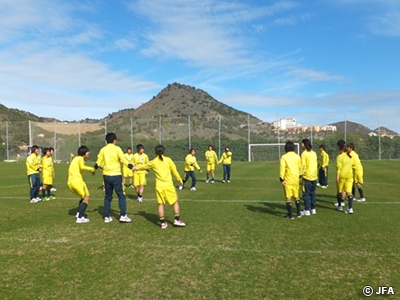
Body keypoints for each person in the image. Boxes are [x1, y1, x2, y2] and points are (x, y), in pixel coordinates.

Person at [133, 145, 186, 229]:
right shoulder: (168, 160)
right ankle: (177, 220)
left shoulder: (154, 161)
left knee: (160, 204)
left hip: (159, 186)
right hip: (168, 185)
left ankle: (163, 223)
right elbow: (174, 171)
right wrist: (180, 180)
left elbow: (144, 166)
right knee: (175, 202)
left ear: (155, 152)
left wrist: (135, 168)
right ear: (164, 151)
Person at [94, 133, 134, 223]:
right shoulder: (117, 149)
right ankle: (123, 215)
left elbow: (98, 162)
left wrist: (94, 169)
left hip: (106, 176)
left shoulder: (103, 150)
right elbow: (123, 159)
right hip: (116, 175)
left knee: (108, 196)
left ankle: (107, 217)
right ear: (114, 140)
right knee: (121, 196)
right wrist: (131, 167)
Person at [68, 146, 96, 223]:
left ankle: (79, 213)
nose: (89, 153)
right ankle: (80, 218)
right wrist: (92, 169)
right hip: (76, 181)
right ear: (84, 152)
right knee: (86, 197)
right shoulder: (80, 158)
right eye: (87, 151)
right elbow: (82, 167)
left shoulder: (76, 159)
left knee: (85, 196)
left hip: (72, 182)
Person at [279, 141, 302, 219]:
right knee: (296, 196)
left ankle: (290, 215)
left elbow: (282, 168)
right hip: (296, 179)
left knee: (288, 197)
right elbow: (300, 167)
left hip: (288, 180)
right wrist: (299, 175)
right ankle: (298, 213)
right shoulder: (297, 156)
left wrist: (281, 178)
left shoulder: (284, 157)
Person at [336, 140, 355, 214]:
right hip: (350, 176)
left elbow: (339, 167)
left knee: (339, 192)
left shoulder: (340, 157)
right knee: (349, 192)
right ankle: (350, 208)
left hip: (342, 176)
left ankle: (340, 206)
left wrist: (337, 176)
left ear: (339, 147)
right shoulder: (349, 156)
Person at [300, 139, 318, 216]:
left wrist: (300, 174)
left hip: (307, 176)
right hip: (314, 176)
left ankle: (307, 210)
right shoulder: (314, 153)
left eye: (302, 144)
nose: (301, 145)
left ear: (304, 145)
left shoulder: (304, 154)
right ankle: (313, 209)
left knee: (306, 194)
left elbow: (303, 166)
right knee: (312, 193)